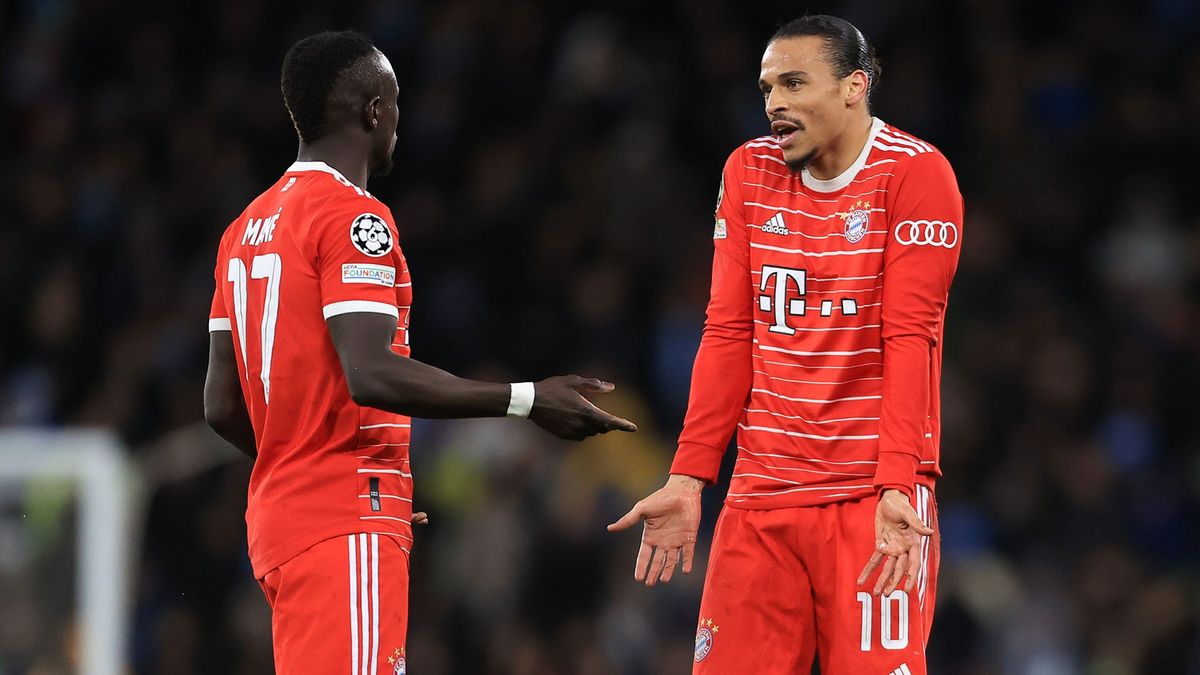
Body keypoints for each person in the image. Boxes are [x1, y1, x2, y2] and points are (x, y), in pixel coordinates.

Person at [202, 30, 636, 675]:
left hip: (284, 528)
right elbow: (370, 372)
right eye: (397, 103)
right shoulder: (352, 217)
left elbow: (220, 404)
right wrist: (527, 400)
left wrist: (311, 469)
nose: (399, 120)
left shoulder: (243, 230)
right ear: (374, 109)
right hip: (341, 522)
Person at [609, 15, 961, 674]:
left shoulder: (916, 175)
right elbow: (728, 330)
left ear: (854, 86)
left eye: (795, 83)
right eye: (768, 87)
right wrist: (689, 477)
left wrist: (898, 483)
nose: (774, 102)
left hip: (869, 499)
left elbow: (909, 337)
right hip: (760, 498)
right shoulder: (748, 169)